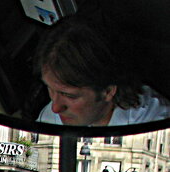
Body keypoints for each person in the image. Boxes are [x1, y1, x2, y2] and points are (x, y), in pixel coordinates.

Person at [34, 15, 170, 127]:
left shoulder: (155, 123)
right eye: (50, 89)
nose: (55, 108)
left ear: (108, 91)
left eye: (70, 96)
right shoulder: (51, 118)